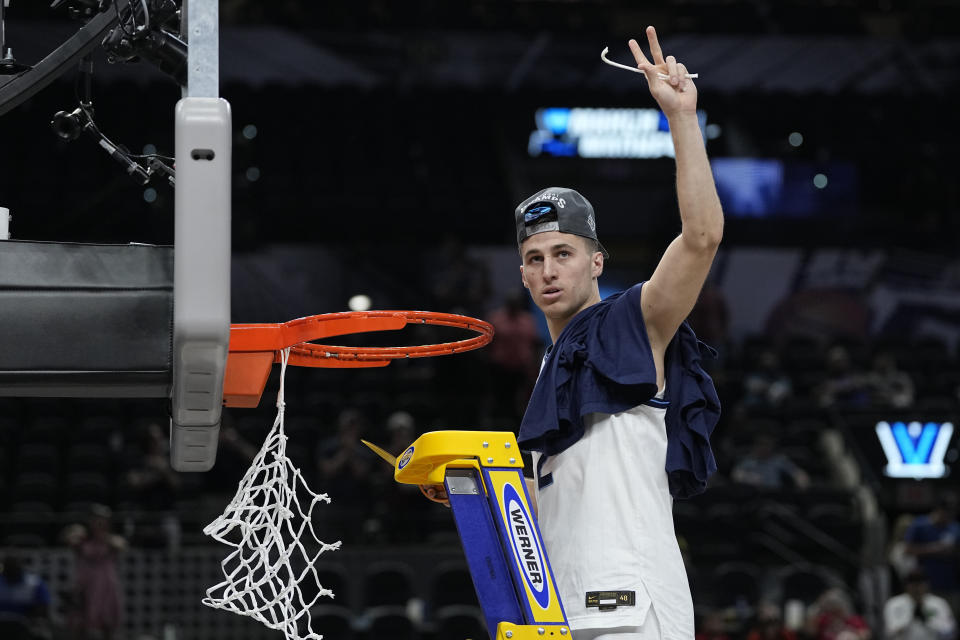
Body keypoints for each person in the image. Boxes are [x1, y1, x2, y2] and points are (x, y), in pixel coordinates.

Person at [424, 25, 723, 639]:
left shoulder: (634, 320)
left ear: (596, 263)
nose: (548, 269)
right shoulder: (546, 366)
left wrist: (683, 120)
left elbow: (702, 238)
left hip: (633, 608)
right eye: (534, 259)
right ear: (524, 278)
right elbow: (554, 504)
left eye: (563, 253)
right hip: (560, 611)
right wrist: (477, 497)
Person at [63, 504, 127, 640]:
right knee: (80, 625)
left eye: (102, 520)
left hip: (106, 587)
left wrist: (102, 535)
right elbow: (68, 539)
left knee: (108, 625)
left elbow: (121, 545)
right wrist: (79, 533)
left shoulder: (111, 540)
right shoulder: (83, 539)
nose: (99, 523)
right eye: (96, 519)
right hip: (86, 586)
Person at [903, 494, 960, 616]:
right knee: (930, 619)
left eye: (952, 512)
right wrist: (934, 549)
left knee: (950, 621)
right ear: (938, 509)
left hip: (951, 583)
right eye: (946, 512)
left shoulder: (955, 527)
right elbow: (907, 550)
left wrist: (952, 552)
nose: (949, 516)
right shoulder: (920, 524)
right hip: (925, 584)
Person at [883, 569, 957, 640]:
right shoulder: (894, 603)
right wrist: (909, 620)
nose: (916, 587)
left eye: (920, 583)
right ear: (906, 585)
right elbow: (889, 632)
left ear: (927, 584)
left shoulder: (938, 603)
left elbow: (950, 632)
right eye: (913, 583)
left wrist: (929, 622)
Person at [731, 434, 810, 491]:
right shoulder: (748, 461)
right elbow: (736, 475)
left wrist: (801, 479)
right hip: (754, 493)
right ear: (756, 446)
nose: (764, 448)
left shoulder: (779, 460)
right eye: (761, 445)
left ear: (771, 446)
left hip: (774, 493)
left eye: (767, 445)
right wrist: (749, 478)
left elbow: (797, 473)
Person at [0, 556, 52, 640]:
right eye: (8, 568)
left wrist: (34, 617)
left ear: (20, 567)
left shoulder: (34, 584)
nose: (11, 571)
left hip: (25, 624)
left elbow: (43, 607)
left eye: (13, 568)